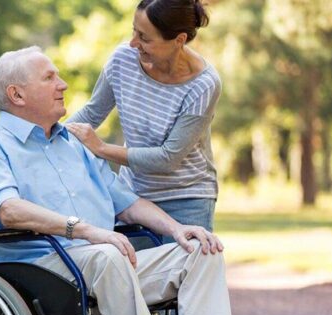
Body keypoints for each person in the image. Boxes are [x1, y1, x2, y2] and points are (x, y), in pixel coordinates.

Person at [0, 46, 268, 315]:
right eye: (50, 77)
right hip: (40, 266)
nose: (63, 84)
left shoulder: (75, 143)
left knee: (201, 250)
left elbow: (126, 202)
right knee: (107, 256)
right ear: (17, 95)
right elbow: (8, 210)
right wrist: (85, 230)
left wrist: (177, 229)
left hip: (104, 263)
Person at [65, 0, 220, 243]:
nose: (133, 42)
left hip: (186, 200)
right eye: (134, 31)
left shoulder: (203, 84)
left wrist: (101, 148)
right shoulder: (122, 60)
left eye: (145, 38)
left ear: (179, 40)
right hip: (134, 197)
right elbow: (91, 114)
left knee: (182, 279)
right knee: (133, 277)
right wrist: (47, 136)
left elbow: (168, 159)